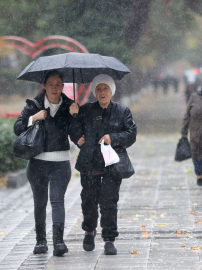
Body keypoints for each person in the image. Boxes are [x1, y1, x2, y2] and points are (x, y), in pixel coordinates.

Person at [69, 74, 137, 255]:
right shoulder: (86, 110)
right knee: (88, 201)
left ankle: (109, 239)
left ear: (112, 91)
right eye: (98, 89)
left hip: (112, 166)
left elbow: (131, 134)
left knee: (109, 202)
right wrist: (75, 117)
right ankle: (89, 231)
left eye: (105, 88)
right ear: (94, 92)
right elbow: (74, 132)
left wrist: (113, 138)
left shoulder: (122, 111)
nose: (102, 92)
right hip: (89, 165)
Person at [13, 70, 74, 256]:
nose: (54, 88)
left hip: (61, 163)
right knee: (39, 203)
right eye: (50, 84)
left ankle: (59, 242)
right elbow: (17, 128)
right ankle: (41, 241)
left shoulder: (70, 106)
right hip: (37, 164)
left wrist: (76, 116)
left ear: (63, 87)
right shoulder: (34, 105)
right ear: (44, 86)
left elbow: (78, 133)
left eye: (58, 84)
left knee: (57, 201)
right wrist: (34, 118)